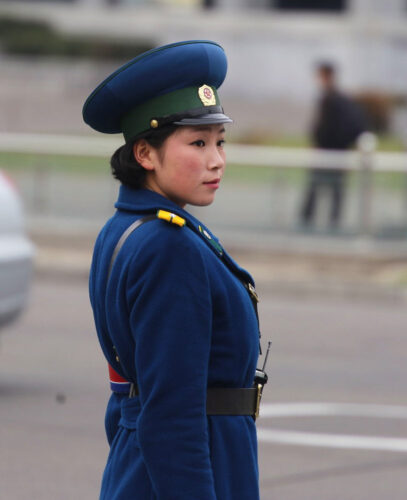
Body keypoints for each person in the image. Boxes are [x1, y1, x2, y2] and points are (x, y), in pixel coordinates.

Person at [83, 40, 265, 500]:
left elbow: (124, 397)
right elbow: (171, 413)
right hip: (193, 474)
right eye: (198, 143)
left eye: (220, 141)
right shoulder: (169, 247)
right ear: (145, 153)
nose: (217, 160)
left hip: (141, 470)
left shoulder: (124, 228)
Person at [299, 61, 367, 230]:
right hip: (337, 151)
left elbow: (326, 129)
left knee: (319, 187)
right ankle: (329, 222)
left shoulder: (332, 100)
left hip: (328, 152)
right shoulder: (338, 99)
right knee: (333, 189)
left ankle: (309, 222)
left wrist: (320, 143)